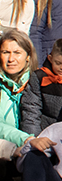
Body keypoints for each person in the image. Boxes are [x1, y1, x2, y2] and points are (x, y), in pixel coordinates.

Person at [0, 30, 37, 160]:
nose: (11, 59)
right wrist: (24, 139)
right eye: (6, 52)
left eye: (17, 53)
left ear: (28, 56)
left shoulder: (38, 83)